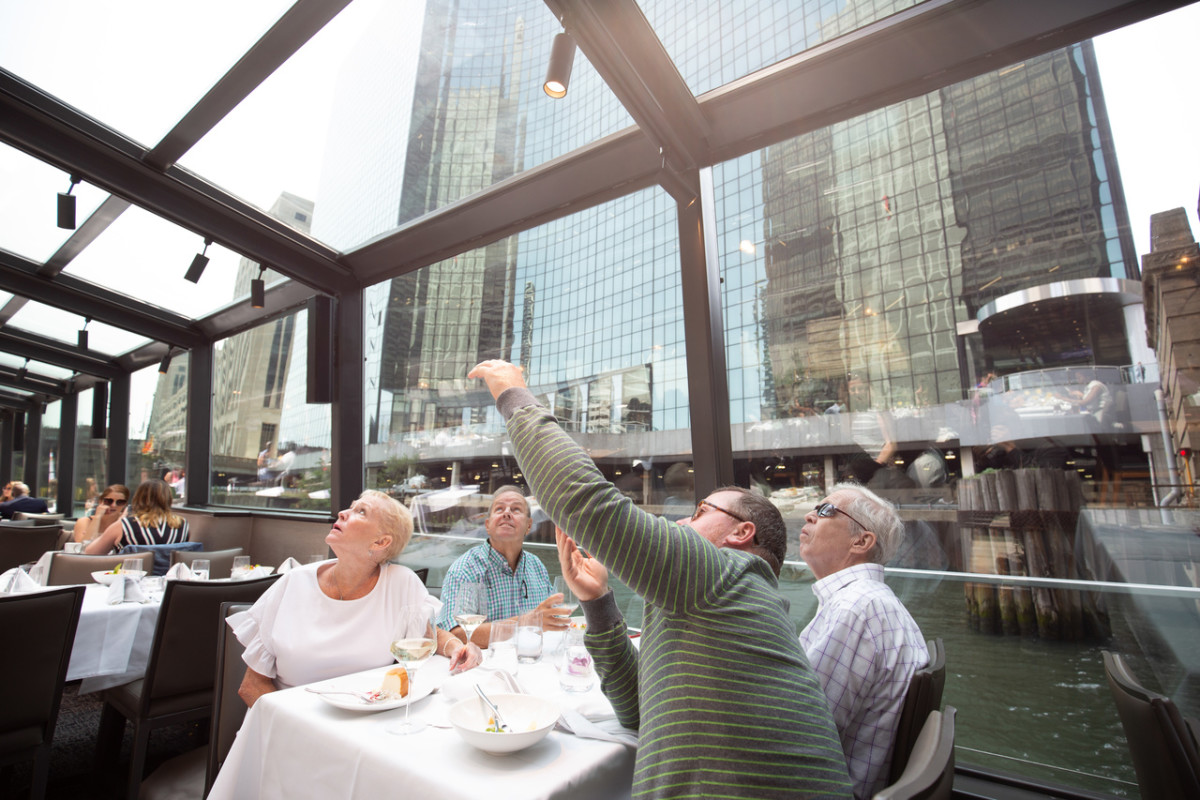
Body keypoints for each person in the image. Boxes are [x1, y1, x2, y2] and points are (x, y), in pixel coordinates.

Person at [470, 359, 852, 800]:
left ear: (740, 533)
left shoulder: (727, 573)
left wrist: (512, 393)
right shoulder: (729, 600)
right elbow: (637, 712)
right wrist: (598, 602)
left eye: (701, 513)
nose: (683, 523)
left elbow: (584, 500)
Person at [231, 490, 482, 706]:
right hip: (287, 724)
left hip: (365, 723)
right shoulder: (292, 583)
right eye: (350, 508)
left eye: (361, 512)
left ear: (381, 541)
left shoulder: (400, 582)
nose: (342, 513)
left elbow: (430, 635)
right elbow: (251, 686)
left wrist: (457, 648)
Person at [798, 483, 929, 799]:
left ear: (861, 541)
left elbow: (801, 734)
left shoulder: (855, 609)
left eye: (825, 510)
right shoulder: (867, 602)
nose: (809, 515)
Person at [436, 485, 566, 645]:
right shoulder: (465, 569)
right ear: (487, 525)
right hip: (483, 666)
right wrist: (524, 622)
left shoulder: (537, 566)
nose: (507, 513)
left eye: (516, 509)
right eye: (499, 509)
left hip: (532, 661)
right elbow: (455, 633)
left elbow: (552, 620)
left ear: (529, 526)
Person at [84, 479, 188, 553]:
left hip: (130, 580)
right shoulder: (183, 525)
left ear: (138, 498)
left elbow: (91, 553)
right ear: (168, 499)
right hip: (167, 581)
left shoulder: (126, 525)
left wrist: (119, 521)